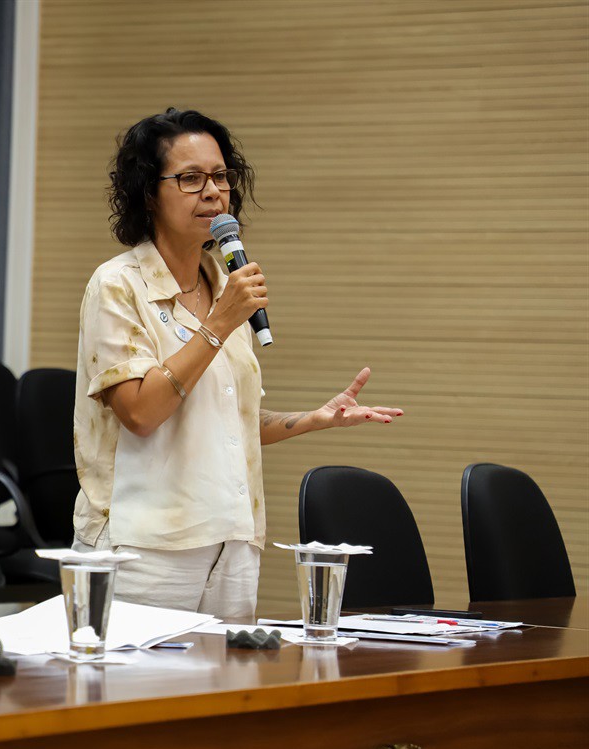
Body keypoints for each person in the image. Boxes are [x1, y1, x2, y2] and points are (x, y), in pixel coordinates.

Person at [73, 108, 403, 622]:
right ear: (147, 192)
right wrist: (220, 323)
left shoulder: (225, 284)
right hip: (145, 548)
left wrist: (314, 419)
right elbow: (140, 412)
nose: (212, 191)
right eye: (190, 178)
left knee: (224, 698)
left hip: (232, 539)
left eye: (221, 176)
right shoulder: (119, 285)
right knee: (136, 698)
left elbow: (227, 421)